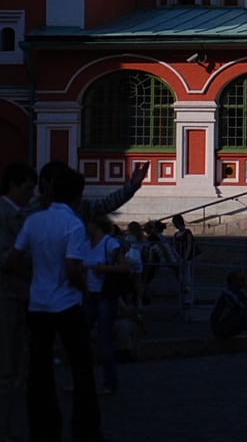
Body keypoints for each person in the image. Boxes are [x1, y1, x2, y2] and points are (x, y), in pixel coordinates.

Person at [8, 168, 103, 441]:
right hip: (66, 303)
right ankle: (85, 429)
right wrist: (85, 291)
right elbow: (73, 269)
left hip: (38, 304)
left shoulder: (34, 220)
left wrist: (34, 278)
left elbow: (15, 259)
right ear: (79, 195)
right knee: (81, 369)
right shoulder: (73, 224)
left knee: (39, 372)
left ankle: (44, 429)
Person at [0, 160, 37, 425]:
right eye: (27, 188)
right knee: (7, 362)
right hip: (9, 294)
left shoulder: (21, 214)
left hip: (20, 293)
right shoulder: (5, 214)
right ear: (13, 186)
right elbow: (8, 259)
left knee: (18, 359)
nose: (30, 194)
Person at [83, 215, 127, 396]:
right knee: (80, 338)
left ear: (95, 224)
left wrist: (104, 269)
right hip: (88, 295)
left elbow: (125, 267)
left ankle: (110, 383)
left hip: (105, 296)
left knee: (104, 339)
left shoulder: (110, 244)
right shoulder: (86, 244)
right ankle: (83, 381)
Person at [171, 213, 197, 308]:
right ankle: (181, 298)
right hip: (178, 257)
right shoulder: (176, 234)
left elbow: (189, 244)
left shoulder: (187, 232)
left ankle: (188, 299)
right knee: (180, 278)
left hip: (185, 258)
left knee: (187, 278)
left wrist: (185, 257)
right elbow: (173, 245)